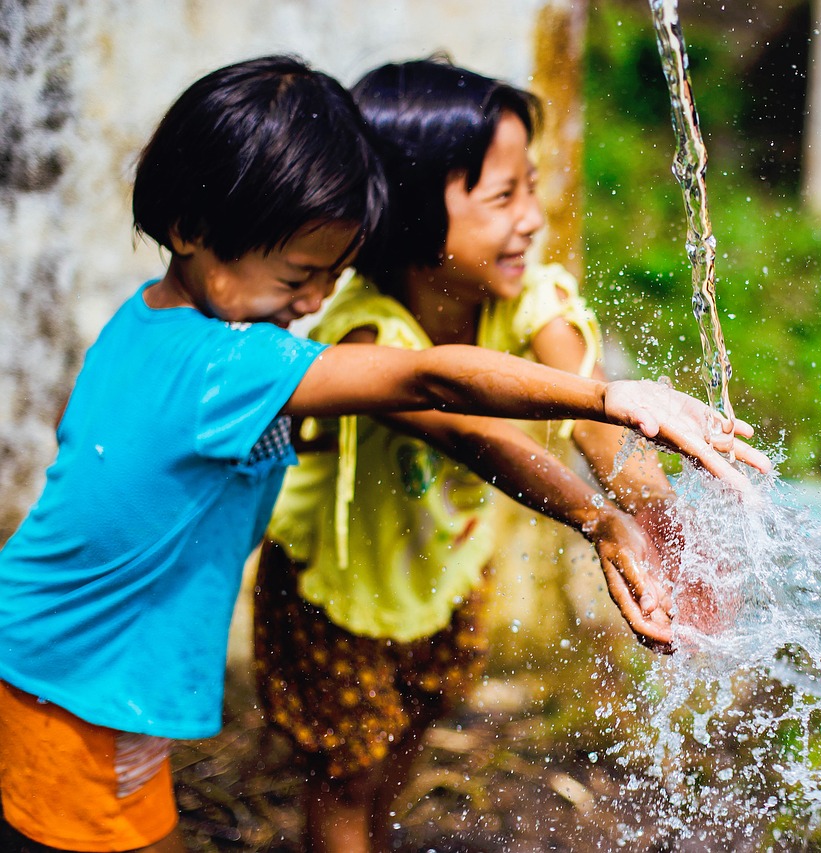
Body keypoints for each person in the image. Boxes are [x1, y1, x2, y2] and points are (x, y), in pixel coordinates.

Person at [0, 55, 768, 853]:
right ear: (192, 231)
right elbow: (434, 380)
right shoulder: (231, 362)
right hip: (79, 676)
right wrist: (609, 398)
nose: (311, 304)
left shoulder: (148, 323)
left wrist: (631, 500)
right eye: (299, 275)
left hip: (61, 651)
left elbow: (78, 434)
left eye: (329, 275)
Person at [253, 57, 701, 853]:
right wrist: (596, 519)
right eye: (503, 197)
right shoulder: (366, 331)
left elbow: (596, 414)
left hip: (447, 566)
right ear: (410, 215)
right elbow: (472, 431)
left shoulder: (526, 297)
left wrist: (662, 521)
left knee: (415, 723)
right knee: (345, 772)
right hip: (336, 586)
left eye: (531, 185)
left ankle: (371, 836)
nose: (532, 216)